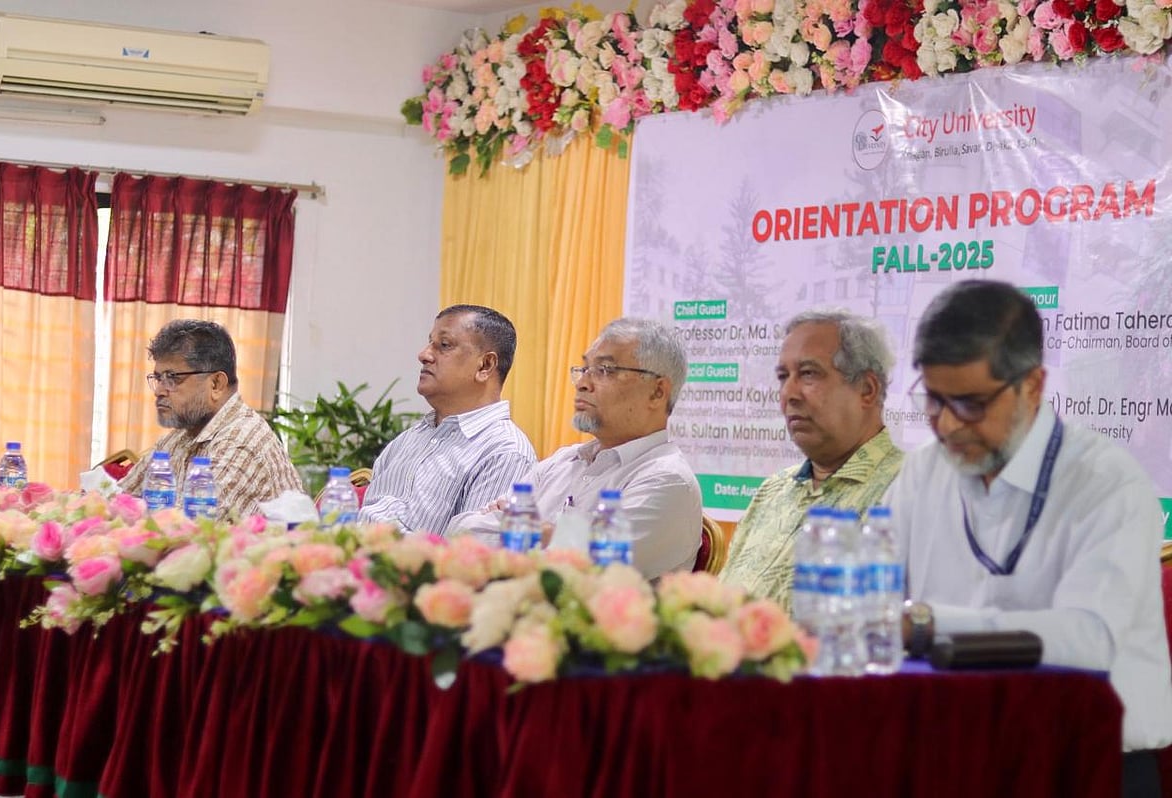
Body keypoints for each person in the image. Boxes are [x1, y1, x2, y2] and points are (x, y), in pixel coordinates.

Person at [888, 280, 1172, 790]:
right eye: (932, 400)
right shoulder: (921, 474)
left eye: (971, 403)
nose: (948, 425)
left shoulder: (1109, 484)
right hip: (952, 753)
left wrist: (929, 623)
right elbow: (874, 598)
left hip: (1085, 766)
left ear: (1033, 386)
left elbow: (1090, 639)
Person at [450, 317, 702, 580]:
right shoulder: (565, 460)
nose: (583, 383)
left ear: (657, 392)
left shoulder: (667, 481)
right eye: (583, 369)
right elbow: (462, 531)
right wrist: (546, 535)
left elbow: (571, 575)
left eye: (605, 370)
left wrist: (530, 529)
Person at [719, 309, 903, 609]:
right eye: (783, 377)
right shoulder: (773, 490)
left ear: (867, 390)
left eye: (808, 374)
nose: (788, 393)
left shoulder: (907, 490)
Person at [358, 304, 536, 535]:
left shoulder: (505, 452)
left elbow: (469, 558)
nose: (423, 355)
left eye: (444, 345)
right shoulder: (410, 438)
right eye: (429, 343)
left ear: (485, 365)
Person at [118, 319, 303, 519]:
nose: (160, 391)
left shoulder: (240, 443)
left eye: (172, 377)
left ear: (216, 384)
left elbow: (184, 532)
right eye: (158, 378)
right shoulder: (182, 435)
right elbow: (118, 499)